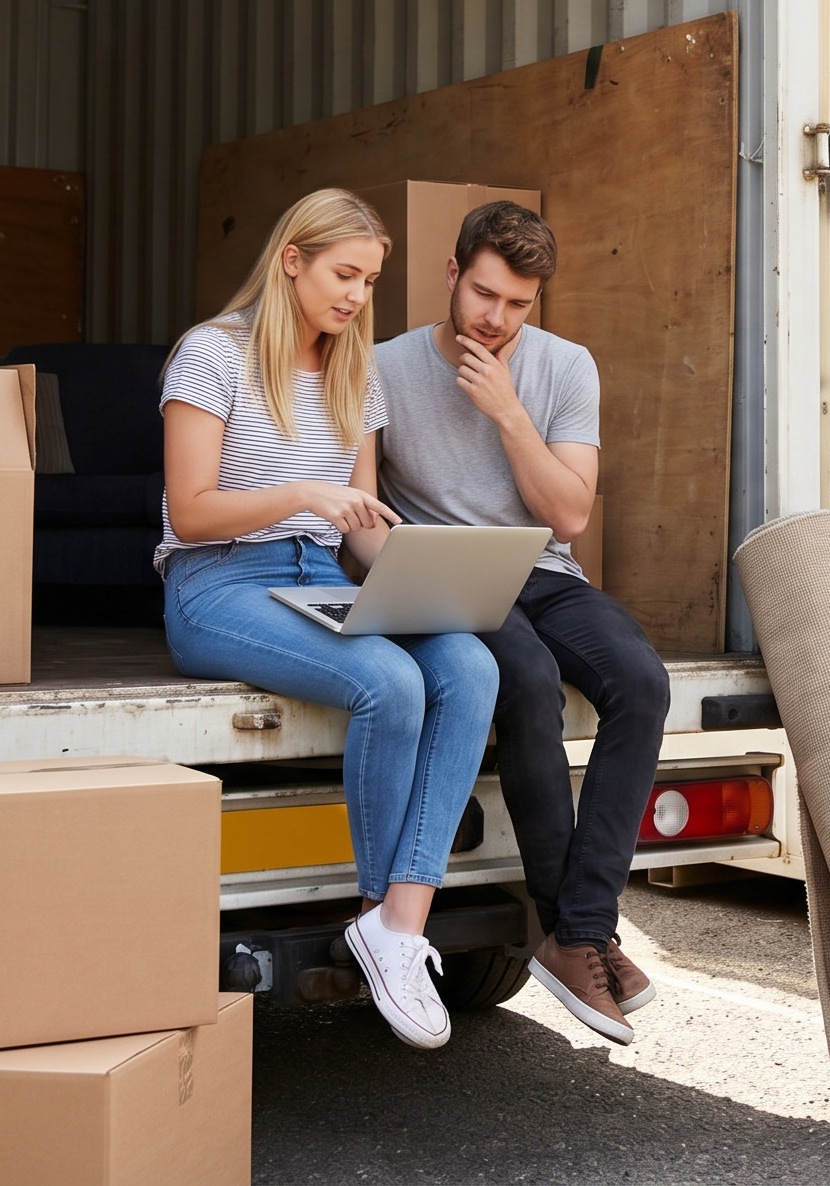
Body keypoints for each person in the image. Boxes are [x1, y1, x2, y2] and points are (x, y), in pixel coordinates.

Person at [156, 188, 498, 1052]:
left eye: (370, 280)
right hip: (219, 583)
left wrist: (425, 581)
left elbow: (363, 526)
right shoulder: (210, 354)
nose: (355, 295)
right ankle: (376, 913)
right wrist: (307, 494)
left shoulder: (357, 370)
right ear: (290, 261)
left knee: (468, 664)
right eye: (343, 273)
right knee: (386, 682)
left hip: (323, 575)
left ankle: (399, 925)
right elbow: (192, 513)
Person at [374, 201, 670, 1046]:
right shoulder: (386, 368)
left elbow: (569, 517)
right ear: (452, 273)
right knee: (528, 680)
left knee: (642, 682)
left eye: (517, 305)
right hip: (452, 578)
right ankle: (580, 939)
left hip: (542, 568)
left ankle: (577, 933)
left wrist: (508, 411)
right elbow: (360, 515)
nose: (496, 319)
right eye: (484, 294)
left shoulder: (565, 367)